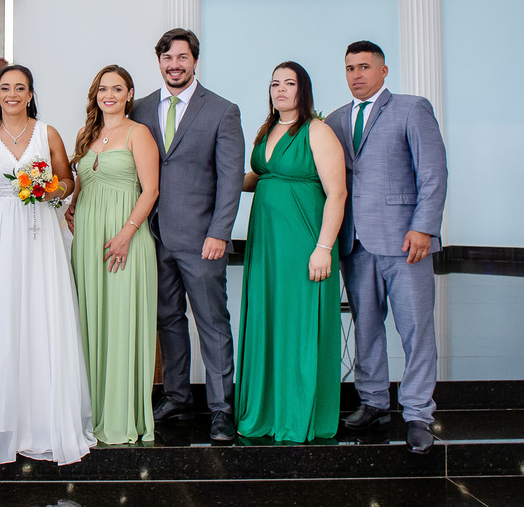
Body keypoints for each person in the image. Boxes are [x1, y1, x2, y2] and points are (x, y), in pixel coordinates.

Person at [0, 64, 96, 485]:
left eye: (20, 88)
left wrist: (51, 190)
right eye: (5, 88)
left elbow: (67, 179)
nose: (12, 94)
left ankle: (41, 418)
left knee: (39, 315)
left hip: (38, 232)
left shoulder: (48, 133)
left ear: (30, 94)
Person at [325, 40, 447, 454]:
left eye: (364, 67)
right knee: (366, 326)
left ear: (383, 70)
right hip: (355, 241)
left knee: (415, 329)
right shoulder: (336, 120)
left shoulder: (412, 109)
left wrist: (424, 228)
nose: (356, 75)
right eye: (349, 68)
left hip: (404, 241)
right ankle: (374, 401)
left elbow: (433, 173)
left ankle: (418, 413)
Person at [130, 28, 245, 443]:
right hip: (153, 236)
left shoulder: (222, 111)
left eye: (182, 57)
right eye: (167, 58)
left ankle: (221, 408)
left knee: (212, 322)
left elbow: (230, 179)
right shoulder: (140, 108)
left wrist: (219, 233)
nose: (174, 65)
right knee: (168, 319)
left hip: (202, 239)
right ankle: (177, 397)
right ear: (159, 62)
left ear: (195, 60)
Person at [235, 62, 346, 442]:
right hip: (267, 243)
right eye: (275, 83)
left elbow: (337, 193)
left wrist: (323, 248)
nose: (280, 89)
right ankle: (267, 410)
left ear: (303, 90)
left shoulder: (317, 130)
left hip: (303, 240)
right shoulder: (267, 129)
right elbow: (260, 177)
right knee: (269, 318)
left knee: (298, 322)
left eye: (289, 83)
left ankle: (296, 414)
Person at [66, 65, 160, 444]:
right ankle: (91, 412)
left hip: (126, 240)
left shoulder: (139, 133)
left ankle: (121, 415)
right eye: (103, 89)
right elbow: (83, 180)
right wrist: (73, 204)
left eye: (117, 89)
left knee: (120, 321)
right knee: (90, 321)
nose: (109, 95)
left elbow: (150, 190)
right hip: (89, 240)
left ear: (129, 94)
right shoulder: (85, 134)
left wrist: (126, 233)